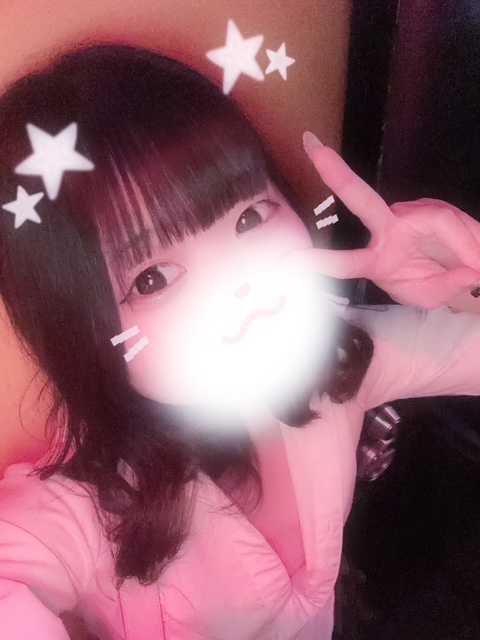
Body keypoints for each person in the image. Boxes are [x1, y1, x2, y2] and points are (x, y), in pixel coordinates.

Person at [1, 43, 480, 640]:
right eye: (152, 278)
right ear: (80, 330)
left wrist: (464, 275)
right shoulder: (86, 507)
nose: (240, 287)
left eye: (249, 217)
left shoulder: (336, 360)